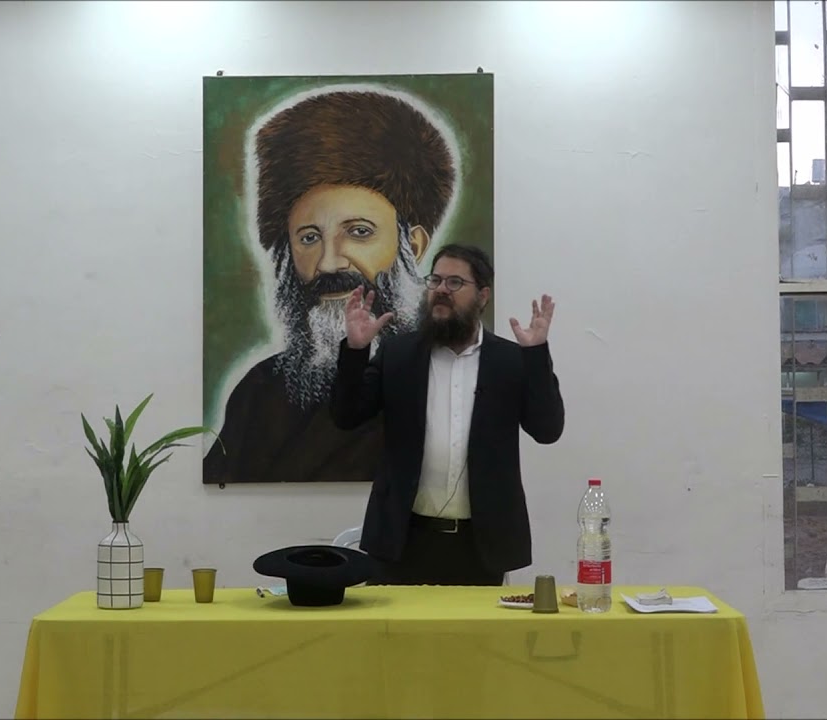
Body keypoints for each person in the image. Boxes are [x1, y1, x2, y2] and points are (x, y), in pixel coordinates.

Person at [203, 88, 460, 485]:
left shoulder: (445, 376)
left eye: (358, 232)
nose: (328, 263)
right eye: (309, 238)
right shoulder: (259, 391)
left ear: (412, 245)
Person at [330, 244, 565, 585]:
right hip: (402, 542)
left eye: (455, 282)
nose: (441, 290)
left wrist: (536, 356)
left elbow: (547, 430)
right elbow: (346, 416)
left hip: (479, 546)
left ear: (482, 296)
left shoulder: (510, 360)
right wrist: (355, 350)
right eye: (436, 280)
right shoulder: (399, 354)